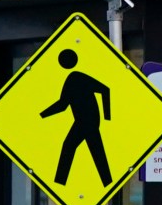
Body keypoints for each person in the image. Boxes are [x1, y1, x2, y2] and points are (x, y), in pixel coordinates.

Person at [41, 48, 113, 187]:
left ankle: (60, 182)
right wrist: (42, 115)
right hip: (83, 121)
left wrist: (107, 117)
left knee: (74, 147)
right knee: (92, 151)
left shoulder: (77, 77)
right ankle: (106, 182)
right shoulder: (72, 79)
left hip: (88, 122)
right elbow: (63, 105)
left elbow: (105, 90)